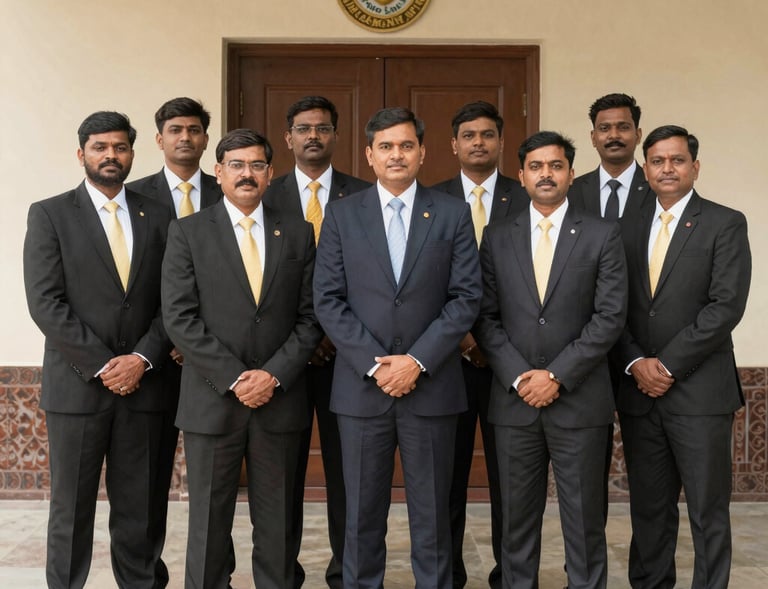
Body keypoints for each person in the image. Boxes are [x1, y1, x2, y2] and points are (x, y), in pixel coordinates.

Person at [313, 107, 482, 588]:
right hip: (362, 391)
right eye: (385, 146)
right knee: (362, 514)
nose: (396, 155)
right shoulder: (343, 215)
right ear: (369, 155)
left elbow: (465, 296)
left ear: (423, 152)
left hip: (431, 387)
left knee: (432, 515)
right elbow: (327, 298)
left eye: (406, 145)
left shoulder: (451, 212)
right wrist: (375, 365)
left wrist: (417, 361)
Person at [161, 128, 322, 589]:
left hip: (280, 399)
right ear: (218, 173)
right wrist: (236, 378)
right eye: (236, 165)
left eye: (255, 165)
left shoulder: (297, 231)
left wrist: (271, 376)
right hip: (212, 402)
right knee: (209, 525)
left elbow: (310, 318)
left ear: (271, 173)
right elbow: (180, 318)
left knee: (279, 524)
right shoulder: (188, 232)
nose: (246, 174)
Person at [23, 111, 173, 588]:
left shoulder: (160, 214)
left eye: (120, 147)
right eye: (100, 147)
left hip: (146, 387)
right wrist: (105, 365)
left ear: (133, 152)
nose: (111, 155)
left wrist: (141, 359)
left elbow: (174, 300)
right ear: (81, 153)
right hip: (77, 389)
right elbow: (45, 302)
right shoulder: (49, 214)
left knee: (141, 511)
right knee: (71, 510)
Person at [474, 131, 628, 589]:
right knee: (516, 522)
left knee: (584, 522)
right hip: (514, 402)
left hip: (579, 402)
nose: (546, 174)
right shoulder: (497, 236)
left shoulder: (602, 234)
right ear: (520, 175)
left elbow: (610, 316)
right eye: (536, 167)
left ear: (571, 174)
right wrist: (522, 377)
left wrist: (557, 375)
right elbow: (484, 316)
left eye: (556, 166)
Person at [617, 125, 751, 589]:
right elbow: (613, 307)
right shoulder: (624, 227)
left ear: (695, 167)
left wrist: (667, 365)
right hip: (640, 393)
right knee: (649, 510)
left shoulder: (725, 222)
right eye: (657, 161)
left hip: (699, 394)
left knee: (707, 510)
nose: (667, 168)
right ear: (646, 169)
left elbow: (725, 307)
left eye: (677, 160)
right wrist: (637, 362)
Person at [263, 95, 371, 589]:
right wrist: (305, 340)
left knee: (350, 476)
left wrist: (335, 336)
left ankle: (346, 573)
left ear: (336, 136)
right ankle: (283, 575)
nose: (313, 136)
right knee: (280, 480)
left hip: (349, 358)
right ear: (288, 138)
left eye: (323, 128)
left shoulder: (365, 195)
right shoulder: (263, 193)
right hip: (281, 360)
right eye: (303, 128)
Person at [127, 95, 224, 588]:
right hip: (155, 362)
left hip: (222, 362)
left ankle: (215, 576)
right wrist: (163, 341)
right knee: (149, 481)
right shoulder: (132, 196)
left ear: (206, 138)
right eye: (174, 129)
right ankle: (148, 575)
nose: (185, 137)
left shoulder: (231, 186)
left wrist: (204, 343)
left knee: (219, 484)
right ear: (160, 137)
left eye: (194, 129)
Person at [431, 100, 528, 589]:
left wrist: (493, 343)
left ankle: (510, 575)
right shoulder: (430, 199)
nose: (477, 143)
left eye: (487, 134)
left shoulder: (527, 195)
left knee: (510, 480)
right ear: (453, 144)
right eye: (468, 135)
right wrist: (465, 336)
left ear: (501, 142)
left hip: (512, 361)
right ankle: (446, 573)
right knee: (445, 477)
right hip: (446, 360)